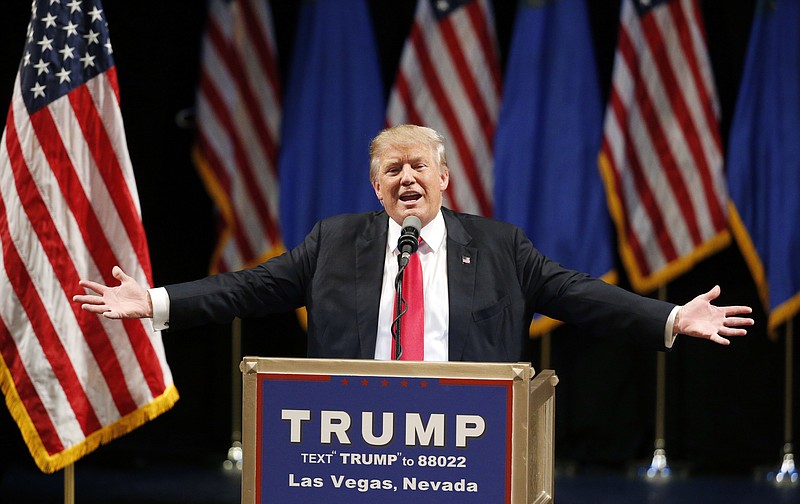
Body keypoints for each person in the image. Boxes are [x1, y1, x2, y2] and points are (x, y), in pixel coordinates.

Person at [74, 125, 753, 362]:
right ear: (376, 186)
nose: (406, 179)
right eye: (391, 170)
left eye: (417, 167)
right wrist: (156, 300)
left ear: (444, 179)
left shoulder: (498, 247)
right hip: (357, 452)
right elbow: (245, 287)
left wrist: (669, 316)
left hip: (463, 450)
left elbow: (578, 295)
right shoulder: (334, 242)